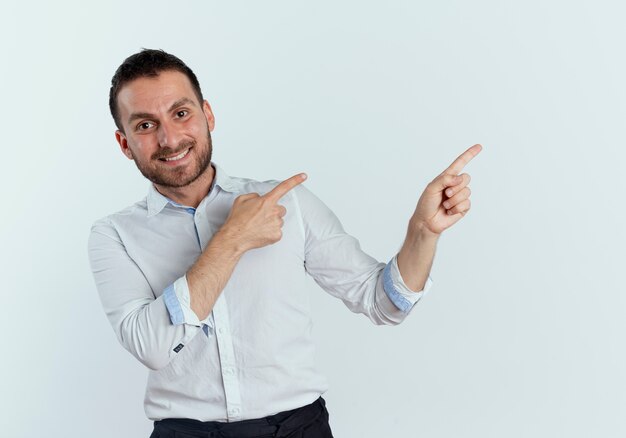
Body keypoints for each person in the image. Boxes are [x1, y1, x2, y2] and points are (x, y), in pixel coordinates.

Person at [88, 48, 481, 438]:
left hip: (297, 428)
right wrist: (232, 239)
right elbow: (153, 346)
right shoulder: (114, 235)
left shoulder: (286, 202)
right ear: (125, 144)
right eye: (145, 125)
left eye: (181, 113)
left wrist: (423, 231)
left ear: (207, 115)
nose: (169, 138)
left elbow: (385, 303)